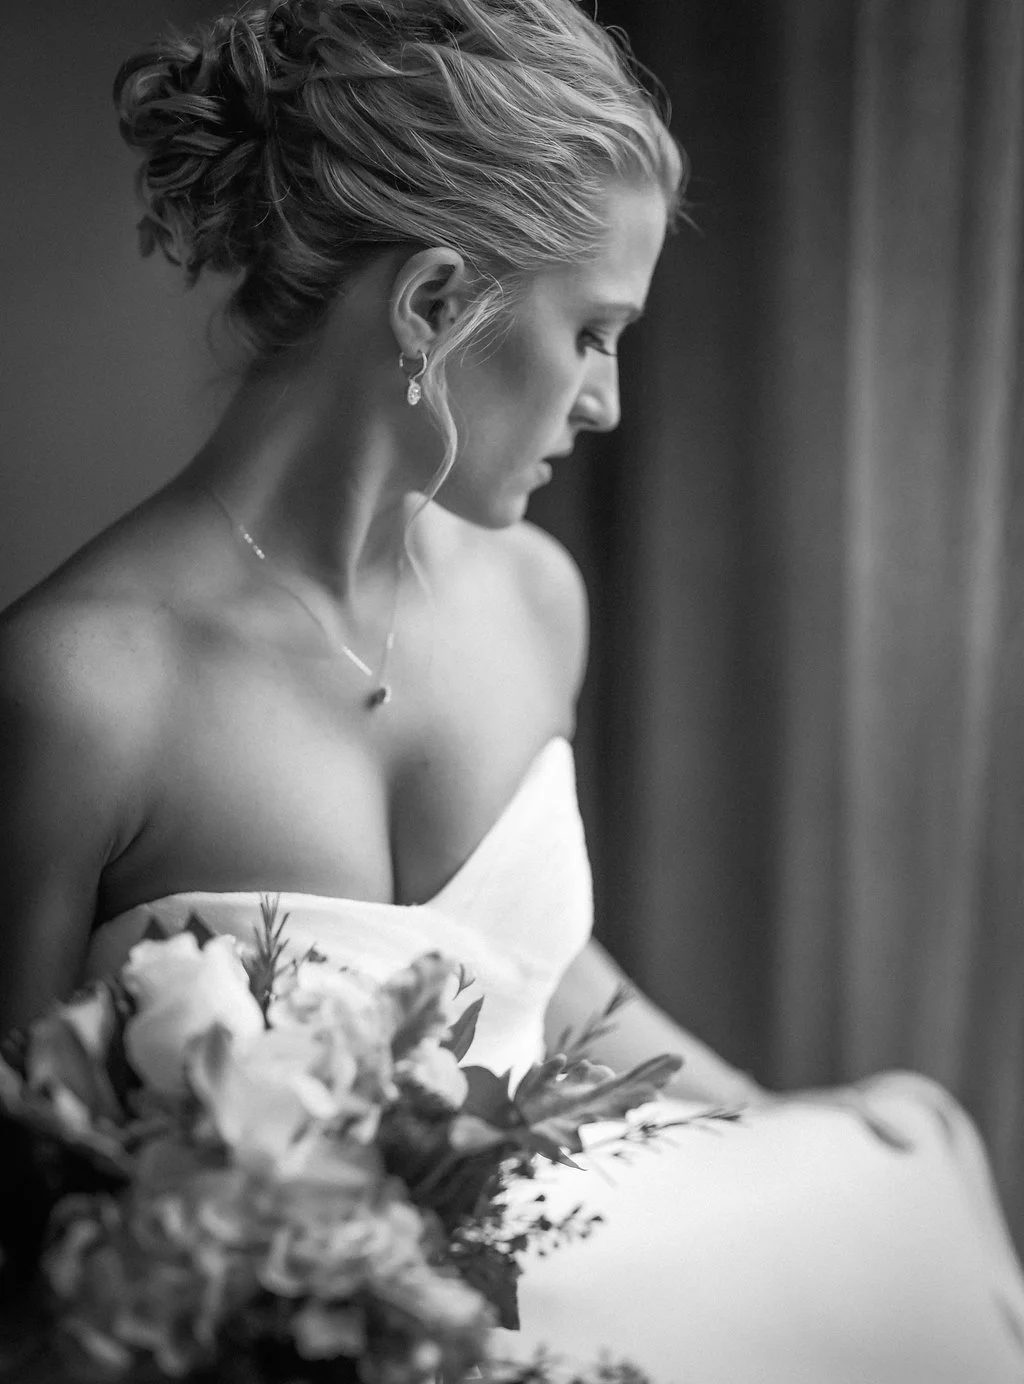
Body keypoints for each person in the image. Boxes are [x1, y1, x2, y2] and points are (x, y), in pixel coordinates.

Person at [1, 1, 1023, 1379]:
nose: (605, 403)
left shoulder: (537, 599)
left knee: (918, 1162)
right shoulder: (79, 690)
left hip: (590, 1276)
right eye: (595, 334)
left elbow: (533, 976)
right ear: (432, 306)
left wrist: (778, 1118)